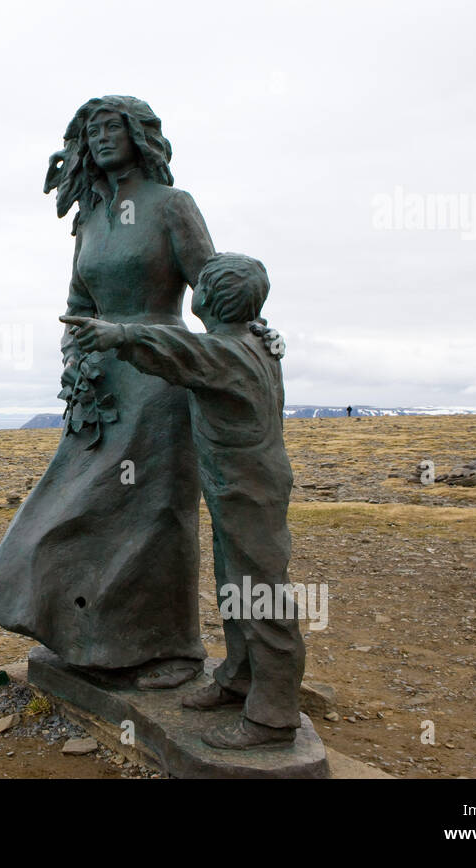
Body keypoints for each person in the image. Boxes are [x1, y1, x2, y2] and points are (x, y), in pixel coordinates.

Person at [0, 96, 214, 687]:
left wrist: (247, 332)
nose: (103, 138)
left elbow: (211, 290)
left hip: (161, 376)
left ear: (140, 136)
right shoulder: (88, 218)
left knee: (156, 517)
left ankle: (173, 651)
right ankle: (91, 639)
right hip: (100, 387)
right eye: (93, 131)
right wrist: (75, 364)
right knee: (76, 510)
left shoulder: (171, 206)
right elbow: (78, 305)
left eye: (114, 127)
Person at [61, 252, 305, 749]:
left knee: (263, 594)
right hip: (236, 488)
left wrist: (119, 335)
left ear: (208, 298)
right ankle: (238, 677)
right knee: (234, 583)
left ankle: (273, 714)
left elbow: (177, 350)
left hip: (249, 491)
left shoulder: (229, 352)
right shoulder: (253, 340)